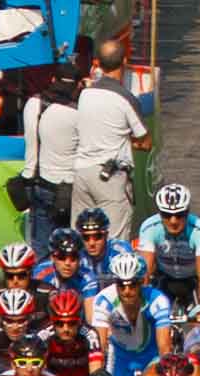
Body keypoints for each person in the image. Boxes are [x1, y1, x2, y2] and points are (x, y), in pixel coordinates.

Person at [72, 40, 150, 241]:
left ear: (98, 63)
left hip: (82, 174)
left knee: (82, 239)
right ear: (124, 61)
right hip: (111, 178)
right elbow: (145, 141)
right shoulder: (126, 98)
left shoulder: (85, 95)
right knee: (115, 243)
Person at [19, 62, 82, 251]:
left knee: (41, 246)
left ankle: (41, 278)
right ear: (77, 85)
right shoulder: (76, 113)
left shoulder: (33, 103)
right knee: (69, 248)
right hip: (65, 187)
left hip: (33, 181)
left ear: (53, 80)